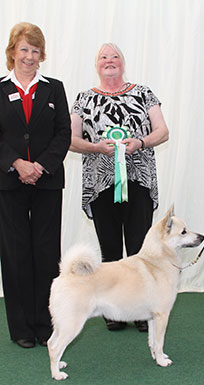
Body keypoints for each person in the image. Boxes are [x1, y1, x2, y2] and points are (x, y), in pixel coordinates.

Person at [70, 43, 169, 332]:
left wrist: (140, 143)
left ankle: (141, 309)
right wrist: (96, 148)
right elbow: (71, 139)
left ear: (123, 64)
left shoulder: (144, 92)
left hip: (139, 179)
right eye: (103, 57)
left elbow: (163, 131)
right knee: (110, 248)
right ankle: (112, 309)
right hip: (100, 183)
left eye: (115, 57)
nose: (109, 61)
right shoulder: (83, 98)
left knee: (141, 247)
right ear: (96, 65)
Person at [0, 22, 71, 348]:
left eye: (35, 50)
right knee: (15, 255)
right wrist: (17, 163)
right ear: (12, 52)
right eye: (24, 49)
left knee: (46, 254)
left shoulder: (53, 88)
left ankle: (46, 326)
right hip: (9, 183)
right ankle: (22, 329)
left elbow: (63, 133)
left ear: (42, 54)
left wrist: (41, 166)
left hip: (47, 182)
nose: (29, 56)